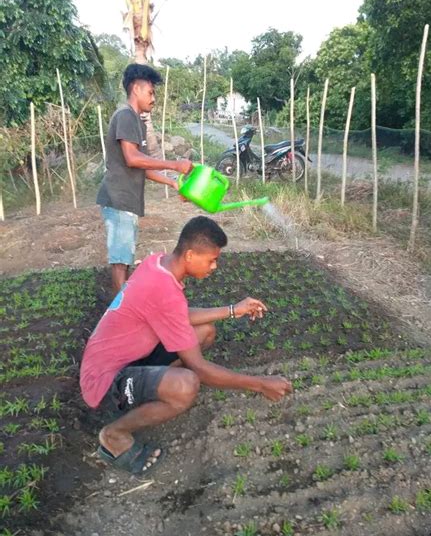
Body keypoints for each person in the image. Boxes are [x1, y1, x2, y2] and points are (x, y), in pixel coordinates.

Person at [80, 216, 292, 475]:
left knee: (204, 332)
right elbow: (199, 369)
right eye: (212, 260)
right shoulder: (163, 287)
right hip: (104, 383)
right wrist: (261, 384)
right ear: (190, 255)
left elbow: (177, 314)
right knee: (186, 384)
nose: (214, 267)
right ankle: (115, 434)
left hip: (126, 359)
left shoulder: (158, 264)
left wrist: (234, 310)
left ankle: (147, 389)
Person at [97, 63, 193, 295]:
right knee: (120, 262)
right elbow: (132, 158)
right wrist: (174, 164)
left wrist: (172, 182)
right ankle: (121, 316)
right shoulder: (125, 116)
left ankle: (122, 310)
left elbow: (144, 167)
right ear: (136, 89)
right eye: (150, 92)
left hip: (125, 200)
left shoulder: (136, 121)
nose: (153, 99)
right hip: (118, 199)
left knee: (124, 258)